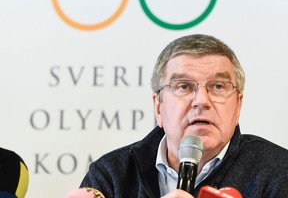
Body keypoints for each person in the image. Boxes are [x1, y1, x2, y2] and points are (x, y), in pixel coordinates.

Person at [80, 34, 288, 197]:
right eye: (184, 86)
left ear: (238, 105)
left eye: (218, 86)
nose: (201, 101)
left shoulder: (280, 172)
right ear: (158, 106)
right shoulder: (111, 175)